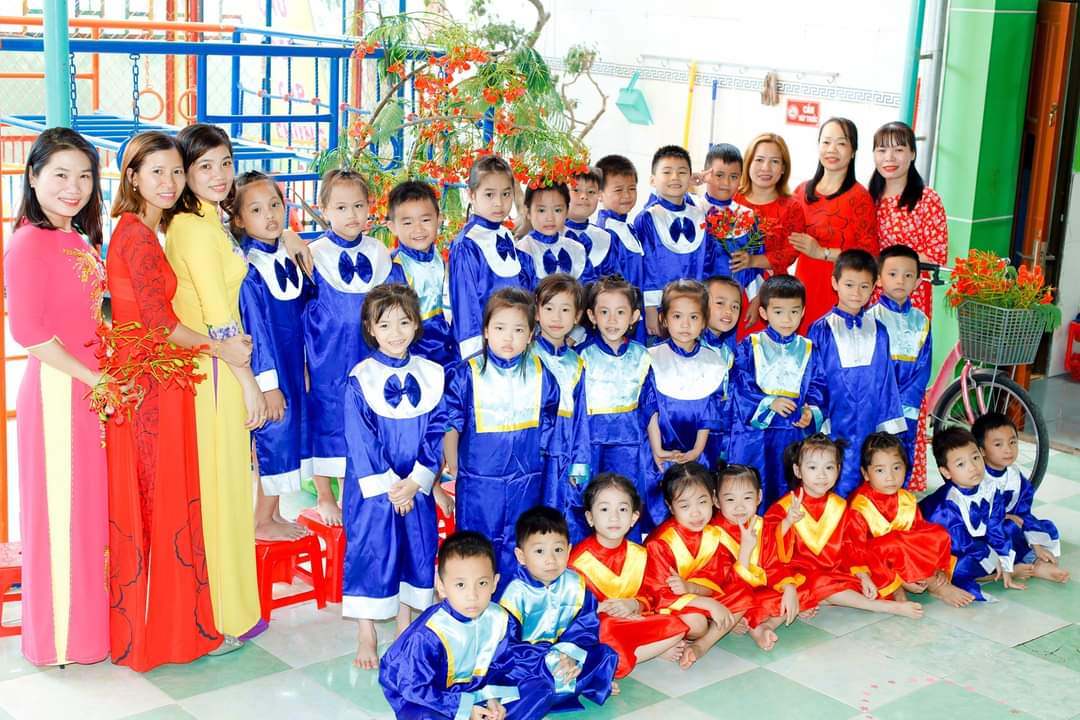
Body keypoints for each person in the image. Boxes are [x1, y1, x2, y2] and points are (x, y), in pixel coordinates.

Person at [105, 131, 223, 669]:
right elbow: (158, 323)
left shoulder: (147, 230)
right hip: (149, 384)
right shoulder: (137, 235)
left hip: (153, 378)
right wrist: (218, 346)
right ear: (132, 177)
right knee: (160, 506)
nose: (170, 182)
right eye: (157, 172)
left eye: (177, 171)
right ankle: (162, 635)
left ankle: (166, 629)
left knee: (160, 504)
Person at [6, 128, 111, 666]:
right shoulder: (28, 243)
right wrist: (93, 379)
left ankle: (91, 634)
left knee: (87, 515)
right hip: (57, 392)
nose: (74, 188)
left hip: (88, 390)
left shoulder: (78, 238)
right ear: (33, 177)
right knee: (59, 517)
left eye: (84, 176)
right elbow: (29, 333)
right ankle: (59, 642)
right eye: (61, 175)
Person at [165, 123, 264, 644]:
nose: (219, 175)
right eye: (205, 166)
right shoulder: (192, 228)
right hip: (215, 373)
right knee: (222, 489)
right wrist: (248, 383)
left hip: (218, 366)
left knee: (229, 487)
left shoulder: (210, 220)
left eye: (225, 163)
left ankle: (232, 608)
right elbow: (218, 314)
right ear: (185, 173)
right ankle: (223, 616)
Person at [341, 284, 451, 669]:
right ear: (370, 329)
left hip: (416, 486)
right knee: (371, 551)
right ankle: (366, 631)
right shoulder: (360, 378)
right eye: (384, 325)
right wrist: (392, 487)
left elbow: (436, 430)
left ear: (416, 324)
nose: (395, 333)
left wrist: (418, 481)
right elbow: (361, 440)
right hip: (374, 491)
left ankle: (405, 623)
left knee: (415, 549)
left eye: (404, 322)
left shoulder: (432, 374)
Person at [305, 169, 405, 525]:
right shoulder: (312, 255)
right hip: (325, 357)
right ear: (324, 209)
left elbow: (396, 305)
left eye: (359, 206)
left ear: (370, 207)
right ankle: (325, 495)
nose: (351, 215)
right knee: (326, 421)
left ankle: (355, 489)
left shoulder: (379, 253)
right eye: (341, 207)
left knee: (363, 422)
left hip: (368, 356)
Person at [443, 288, 561, 585]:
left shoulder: (541, 374)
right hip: (480, 482)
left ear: (531, 334)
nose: (508, 338)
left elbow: (549, 425)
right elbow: (451, 421)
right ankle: (475, 599)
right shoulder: (467, 373)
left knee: (520, 542)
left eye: (518, 330)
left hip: (527, 480)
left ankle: (516, 600)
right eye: (499, 328)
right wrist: (453, 463)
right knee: (478, 544)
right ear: (485, 331)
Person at [378, 531, 557, 720]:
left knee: (541, 689)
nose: (472, 595)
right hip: (429, 694)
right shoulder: (429, 634)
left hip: (475, 687)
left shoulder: (498, 618)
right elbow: (413, 687)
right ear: (441, 586)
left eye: (482, 583)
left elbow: (501, 665)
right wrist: (463, 709)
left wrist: (493, 698)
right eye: (461, 585)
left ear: (494, 583)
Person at [766, 434, 923, 619]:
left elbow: (850, 546)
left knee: (871, 576)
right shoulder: (784, 507)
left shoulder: (839, 505)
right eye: (812, 467)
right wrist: (787, 522)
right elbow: (769, 550)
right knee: (816, 584)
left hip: (835, 572)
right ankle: (883, 607)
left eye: (829, 467)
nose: (822, 475)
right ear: (798, 470)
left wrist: (862, 575)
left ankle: (818, 598)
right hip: (797, 574)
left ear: (838, 469)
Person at [233, 171, 311, 542]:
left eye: (275, 205)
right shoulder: (249, 269)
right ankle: (261, 519)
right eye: (256, 209)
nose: (269, 215)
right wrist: (268, 385)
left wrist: (308, 364)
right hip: (272, 368)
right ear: (238, 219)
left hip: (294, 365)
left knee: (289, 437)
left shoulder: (288, 254)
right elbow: (257, 331)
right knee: (274, 438)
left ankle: (275, 512)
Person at [498, 507, 619, 711]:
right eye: (539, 551)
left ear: (569, 550)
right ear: (521, 556)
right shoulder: (514, 595)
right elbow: (508, 647)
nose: (551, 560)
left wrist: (570, 654)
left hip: (568, 658)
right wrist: (551, 657)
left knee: (606, 654)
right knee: (527, 682)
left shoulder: (576, 585)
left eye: (558, 550)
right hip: (532, 663)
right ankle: (577, 685)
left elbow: (586, 628)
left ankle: (570, 685)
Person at [569, 474, 688, 677]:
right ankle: (635, 654)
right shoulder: (577, 561)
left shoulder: (640, 555)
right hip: (599, 627)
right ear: (590, 517)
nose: (614, 517)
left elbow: (652, 595)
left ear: (634, 517)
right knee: (605, 628)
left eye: (622, 509)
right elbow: (572, 610)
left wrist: (634, 604)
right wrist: (602, 610)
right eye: (604, 509)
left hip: (633, 620)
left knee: (677, 626)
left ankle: (620, 656)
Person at [807, 249, 905, 497]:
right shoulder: (821, 329)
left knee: (869, 472)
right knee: (833, 474)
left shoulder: (879, 330)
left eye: (864, 286)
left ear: (874, 286)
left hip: (870, 420)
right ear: (835, 283)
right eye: (849, 284)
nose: (856, 293)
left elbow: (886, 380)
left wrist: (887, 425)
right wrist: (818, 416)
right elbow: (814, 378)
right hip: (835, 419)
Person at [727, 275, 826, 510]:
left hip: (793, 433)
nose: (787, 319)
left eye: (794, 311)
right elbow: (740, 384)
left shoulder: (809, 348)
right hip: (757, 435)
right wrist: (769, 402)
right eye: (779, 311)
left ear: (803, 312)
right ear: (764, 312)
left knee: (788, 487)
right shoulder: (751, 345)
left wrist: (811, 412)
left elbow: (819, 385)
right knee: (757, 486)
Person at [639, 281, 729, 527]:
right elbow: (650, 408)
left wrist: (697, 451)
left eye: (694, 317)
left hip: (699, 451)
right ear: (664, 319)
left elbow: (710, 412)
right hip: (660, 450)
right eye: (677, 316)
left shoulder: (713, 362)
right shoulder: (651, 358)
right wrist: (657, 449)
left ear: (704, 321)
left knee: (696, 503)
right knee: (660, 508)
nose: (686, 324)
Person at [642, 463, 749, 668]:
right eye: (685, 506)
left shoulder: (713, 534)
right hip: (667, 605)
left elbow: (719, 579)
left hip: (697, 596)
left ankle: (702, 644)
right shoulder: (661, 543)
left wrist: (694, 590)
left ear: (713, 498)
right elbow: (657, 594)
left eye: (702, 502)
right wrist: (707, 604)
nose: (696, 513)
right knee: (696, 624)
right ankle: (707, 627)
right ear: (670, 506)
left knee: (743, 593)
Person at [847, 433, 974, 606]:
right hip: (872, 562)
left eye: (896, 468)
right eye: (880, 470)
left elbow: (918, 537)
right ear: (866, 474)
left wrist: (935, 567)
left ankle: (929, 576)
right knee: (895, 541)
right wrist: (903, 576)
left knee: (938, 533)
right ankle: (931, 586)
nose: (890, 477)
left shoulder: (906, 499)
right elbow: (855, 549)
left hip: (903, 557)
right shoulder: (860, 505)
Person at [789, 117, 879, 331]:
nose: (832, 149)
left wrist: (822, 252)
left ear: (853, 151)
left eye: (841, 143)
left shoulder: (860, 197)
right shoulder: (802, 191)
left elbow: (869, 255)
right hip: (803, 286)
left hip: (841, 292)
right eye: (826, 142)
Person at [578, 276, 652, 538]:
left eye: (620, 312)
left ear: (634, 317)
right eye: (604, 312)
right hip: (591, 442)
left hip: (630, 443)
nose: (612, 320)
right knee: (591, 500)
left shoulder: (643, 356)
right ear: (591, 315)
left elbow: (650, 406)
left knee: (625, 499)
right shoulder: (581, 356)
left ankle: (629, 553)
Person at [448, 155, 536, 360]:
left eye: (506, 194)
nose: (499, 203)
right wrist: (476, 359)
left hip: (512, 343)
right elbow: (466, 307)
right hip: (483, 352)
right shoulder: (467, 244)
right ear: (472, 195)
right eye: (489, 194)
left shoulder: (505, 234)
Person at [921, 428, 1019, 601]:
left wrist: (1004, 561)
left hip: (974, 542)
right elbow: (961, 544)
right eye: (961, 464)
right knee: (962, 566)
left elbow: (995, 527)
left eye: (975, 458)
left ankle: (1004, 570)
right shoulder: (946, 504)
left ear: (982, 454)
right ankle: (998, 572)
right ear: (946, 472)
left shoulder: (990, 488)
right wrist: (990, 556)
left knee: (1012, 529)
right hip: (942, 550)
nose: (973, 468)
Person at [866, 244, 933, 489]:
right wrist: (887, 403)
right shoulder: (870, 318)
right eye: (892, 274)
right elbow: (870, 371)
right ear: (879, 279)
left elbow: (923, 368)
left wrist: (904, 403)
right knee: (876, 457)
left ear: (917, 282)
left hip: (907, 408)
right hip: (877, 406)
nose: (900, 281)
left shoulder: (922, 321)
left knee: (901, 457)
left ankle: (899, 504)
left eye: (908, 275)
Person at [973, 413, 1069, 583]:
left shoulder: (1015, 476)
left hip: (1011, 525)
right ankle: (1015, 568)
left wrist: (1035, 544)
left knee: (1043, 527)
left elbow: (1023, 513)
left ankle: (1035, 562)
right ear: (982, 450)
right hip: (984, 530)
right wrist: (1003, 518)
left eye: (1012, 442)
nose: (1008, 449)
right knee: (1007, 529)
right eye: (998, 444)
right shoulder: (975, 476)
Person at [711, 464, 797, 651]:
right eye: (730, 499)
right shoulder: (712, 535)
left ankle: (764, 625)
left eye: (747, 498)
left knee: (797, 590)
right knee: (738, 604)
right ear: (716, 500)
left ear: (759, 497)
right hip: (731, 596)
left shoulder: (761, 526)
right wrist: (745, 552)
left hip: (759, 593)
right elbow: (719, 583)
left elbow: (773, 564)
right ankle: (756, 627)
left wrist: (788, 586)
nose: (739, 506)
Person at [532, 274, 592, 542]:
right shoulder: (527, 355)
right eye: (549, 308)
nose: (556, 317)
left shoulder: (577, 364)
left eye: (565, 310)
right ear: (536, 312)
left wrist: (580, 467)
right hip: (533, 453)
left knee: (565, 517)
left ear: (577, 316)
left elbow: (581, 423)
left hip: (565, 452)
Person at [635, 145, 716, 337]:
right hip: (660, 308)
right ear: (653, 180)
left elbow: (707, 260)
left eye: (682, 172)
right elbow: (647, 266)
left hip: (694, 307)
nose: (675, 177)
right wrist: (651, 308)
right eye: (667, 172)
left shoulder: (700, 214)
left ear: (690, 177)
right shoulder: (648, 217)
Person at [387, 180, 456, 367]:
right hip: (414, 346)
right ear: (392, 227)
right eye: (408, 222)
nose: (418, 229)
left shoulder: (437, 257)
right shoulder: (396, 266)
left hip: (444, 340)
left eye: (425, 220)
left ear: (439, 220)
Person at [695, 143, 766, 300]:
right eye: (719, 175)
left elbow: (755, 273)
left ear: (741, 178)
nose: (726, 183)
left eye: (734, 177)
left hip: (732, 304)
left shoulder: (748, 217)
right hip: (695, 300)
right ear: (705, 174)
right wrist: (692, 180)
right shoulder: (692, 209)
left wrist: (754, 303)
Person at [516, 182, 594, 285]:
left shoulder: (577, 249)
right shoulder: (523, 250)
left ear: (567, 211)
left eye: (557, 210)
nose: (550, 218)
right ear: (528, 212)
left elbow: (589, 287)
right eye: (541, 210)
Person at [701, 276, 741, 467]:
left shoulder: (727, 352)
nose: (728, 311)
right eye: (720, 303)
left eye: (735, 306)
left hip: (718, 432)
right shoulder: (691, 346)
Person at [595, 154, 645, 297]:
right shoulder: (606, 233)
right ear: (599, 194)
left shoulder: (628, 227)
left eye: (632, 188)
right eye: (618, 190)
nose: (627, 195)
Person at [565, 168, 620, 279]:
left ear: (599, 195)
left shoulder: (605, 238)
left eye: (591, 192)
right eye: (576, 190)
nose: (584, 196)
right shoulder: (549, 234)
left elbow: (614, 282)